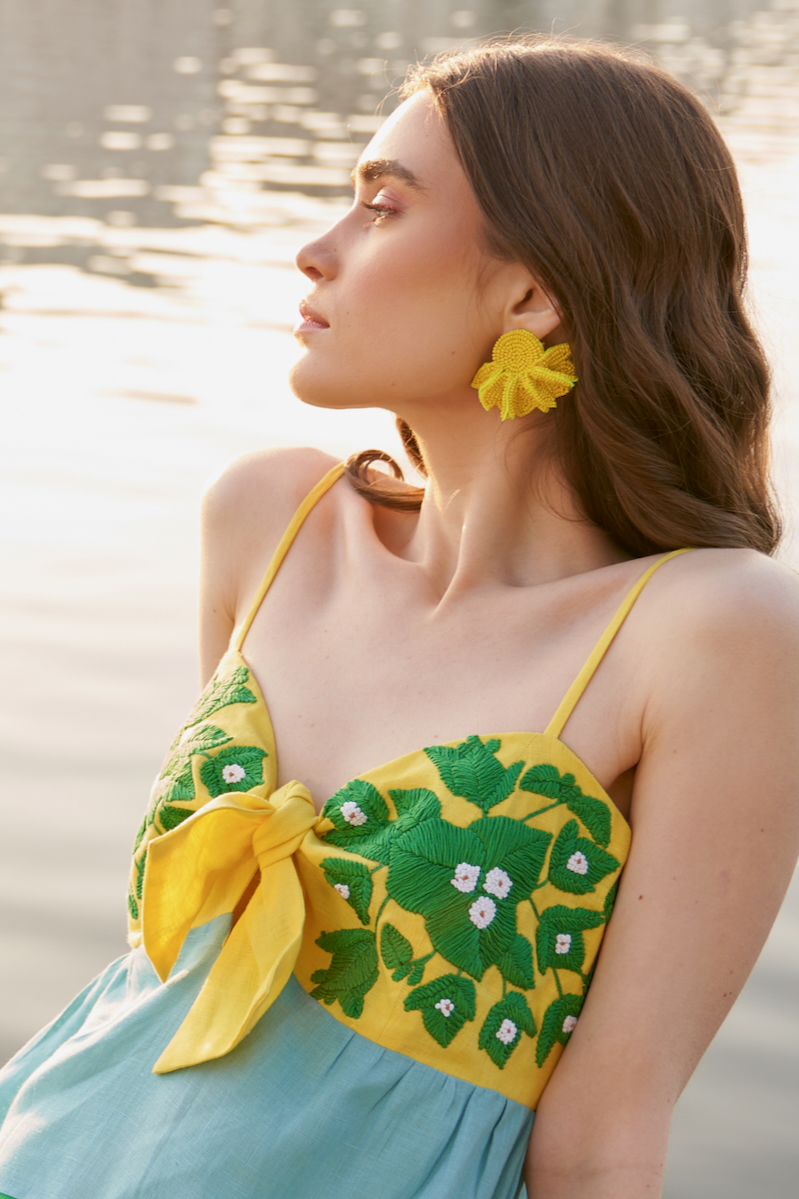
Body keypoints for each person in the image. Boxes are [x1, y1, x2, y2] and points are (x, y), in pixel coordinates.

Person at [0, 35, 798, 1199]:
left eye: (381, 206)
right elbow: (163, 976)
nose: (315, 248)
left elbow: (599, 1145)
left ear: (530, 293)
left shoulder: (708, 630)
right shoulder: (270, 518)